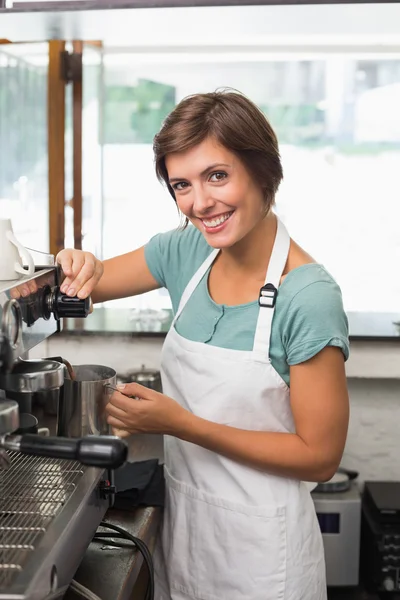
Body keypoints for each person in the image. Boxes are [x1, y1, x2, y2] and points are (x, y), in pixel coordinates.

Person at [56, 90, 350, 600]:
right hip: (188, 530)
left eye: (218, 176)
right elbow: (87, 283)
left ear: (263, 170)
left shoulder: (308, 295)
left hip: (266, 555)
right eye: (181, 185)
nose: (199, 204)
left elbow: (319, 456)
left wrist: (180, 424)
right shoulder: (187, 249)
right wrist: (72, 262)